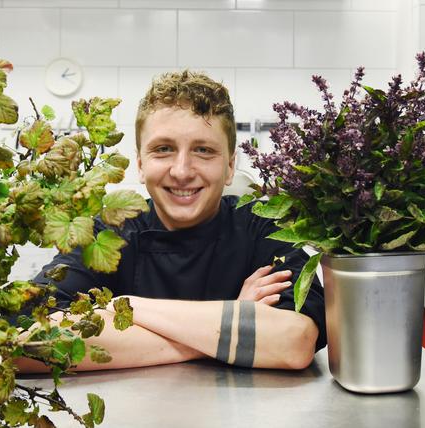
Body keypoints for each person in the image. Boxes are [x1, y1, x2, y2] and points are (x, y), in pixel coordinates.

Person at [27, 70, 326, 371]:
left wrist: (124, 306)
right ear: (141, 165)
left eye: (203, 150)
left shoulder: (262, 227)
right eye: (164, 149)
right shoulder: (107, 234)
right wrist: (234, 321)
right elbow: (26, 341)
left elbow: (294, 342)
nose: (182, 171)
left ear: (231, 166)